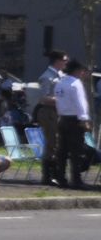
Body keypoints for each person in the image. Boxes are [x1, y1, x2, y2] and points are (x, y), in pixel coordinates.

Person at [50, 58, 91, 189]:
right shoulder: (76, 83)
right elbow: (80, 103)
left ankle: (60, 178)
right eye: (82, 71)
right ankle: (76, 179)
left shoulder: (60, 83)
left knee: (62, 151)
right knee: (76, 151)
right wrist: (84, 119)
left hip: (62, 118)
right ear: (77, 71)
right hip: (75, 119)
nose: (82, 73)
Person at [34, 48, 66, 185]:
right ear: (58, 61)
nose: (66, 62)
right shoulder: (47, 76)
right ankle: (47, 176)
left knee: (57, 143)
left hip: (57, 112)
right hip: (48, 112)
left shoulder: (60, 75)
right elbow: (43, 98)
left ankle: (55, 174)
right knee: (51, 142)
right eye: (64, 60)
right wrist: (63, 100)